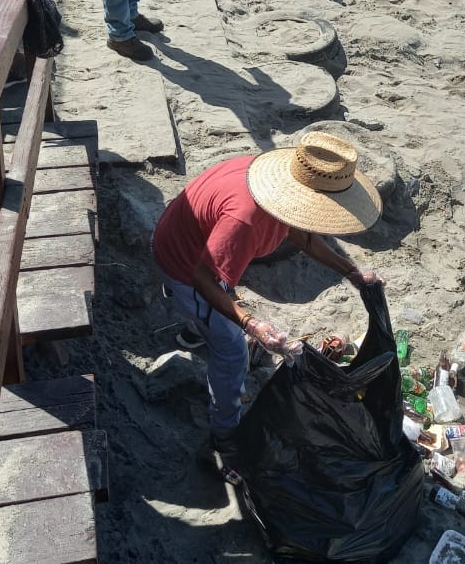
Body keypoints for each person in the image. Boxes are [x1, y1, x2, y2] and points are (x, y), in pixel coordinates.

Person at [152, 131, 383, 481]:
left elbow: (301, 233)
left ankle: (199, 328)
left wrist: (351, 271)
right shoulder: (245, 220)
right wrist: (251, 325)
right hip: (184, 266)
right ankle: (224, 434)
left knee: (220, 316)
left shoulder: (276, 190)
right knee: (232, 351)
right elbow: (204, 279)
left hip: (202, 244)